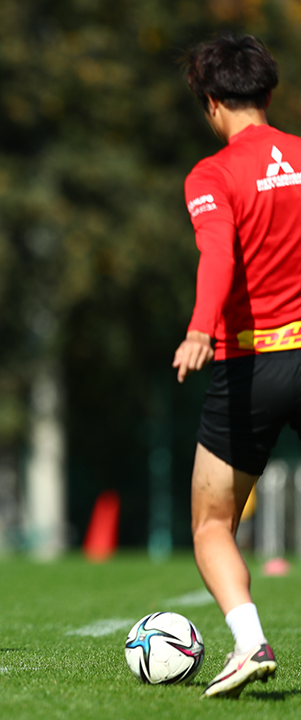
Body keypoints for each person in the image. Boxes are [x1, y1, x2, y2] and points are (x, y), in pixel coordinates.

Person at [172, 34, 293, 698]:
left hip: (253, 366)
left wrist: (199, 330)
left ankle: (250, 644)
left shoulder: (212, 175)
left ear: (211, 102)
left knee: (213, 523)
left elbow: (217, 252)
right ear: (268, 93)